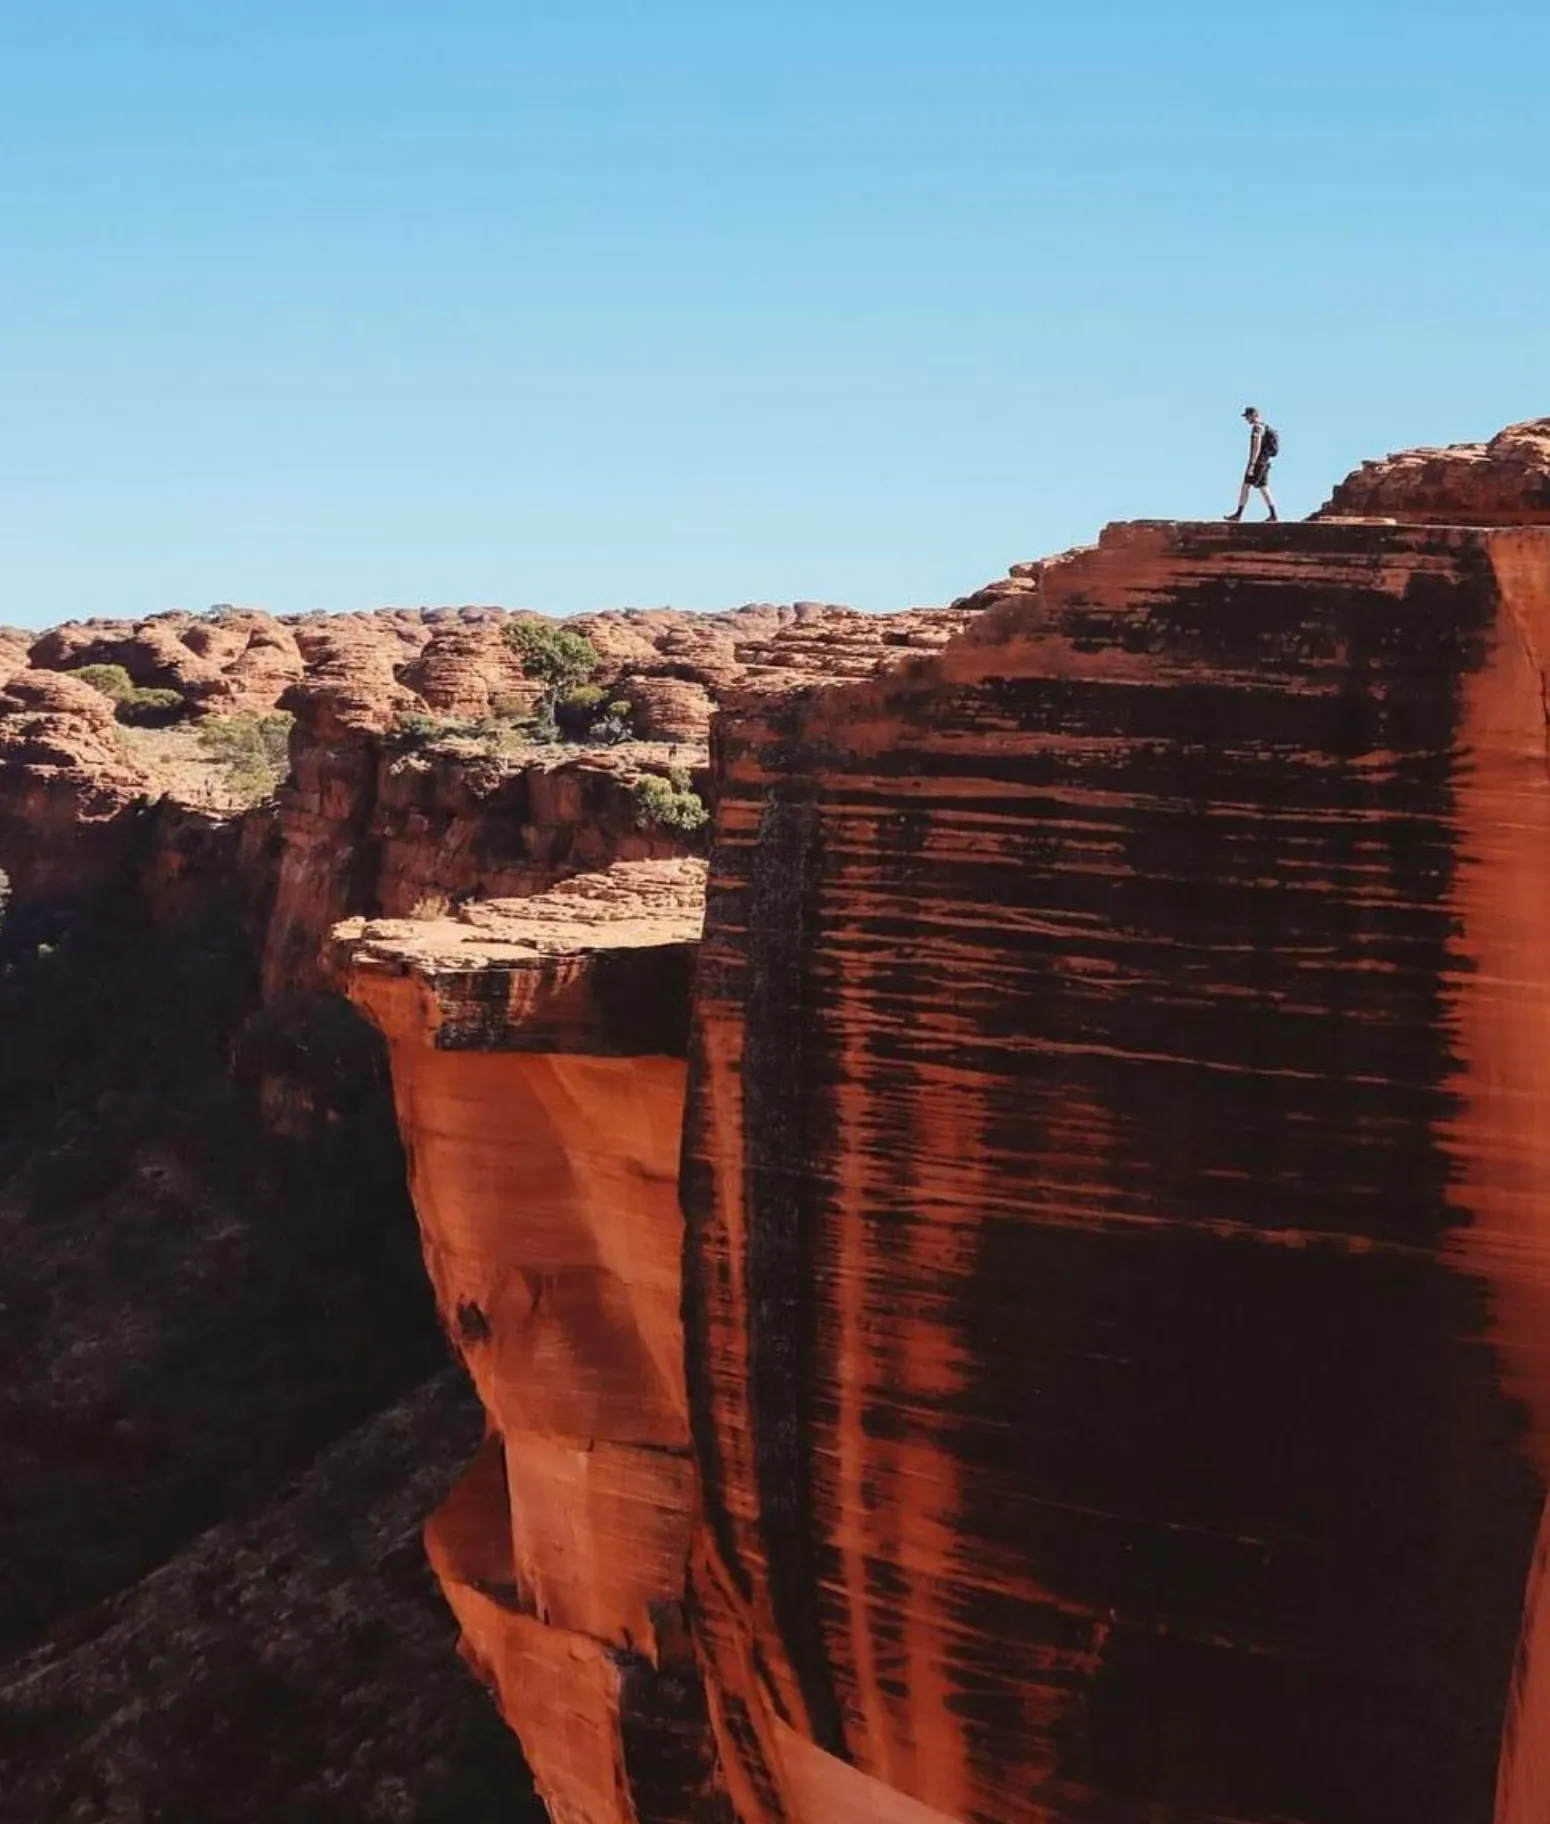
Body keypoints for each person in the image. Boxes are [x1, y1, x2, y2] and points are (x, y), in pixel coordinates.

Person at [1226, 406, 1279, 522]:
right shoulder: (1265, 427)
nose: (1246, 419)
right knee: (1263, 487)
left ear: (1254, 415)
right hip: (1265, 461)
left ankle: (1238, 514)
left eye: (1248, 416)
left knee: (1246, 486)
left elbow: (1256, 445)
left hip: (1257, 462)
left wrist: (1252, 464)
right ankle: (1273, 515)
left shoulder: (1257, 428)